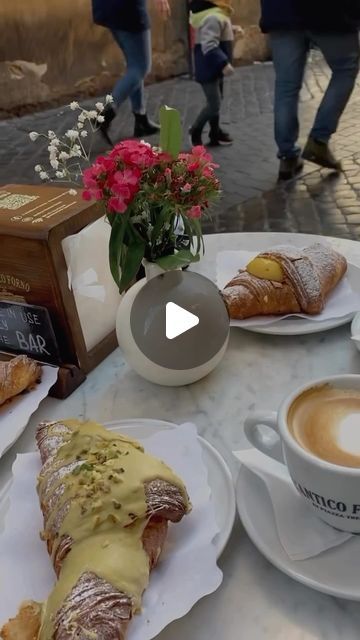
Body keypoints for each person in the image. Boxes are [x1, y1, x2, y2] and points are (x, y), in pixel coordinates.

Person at [260, 0, 360, 180]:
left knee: (286, 86)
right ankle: (318, 140)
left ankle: (287, 156)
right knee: (345, 69)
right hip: (329, 12)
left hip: (280, 12)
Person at [92, 0, 170, 143]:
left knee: (134, 64)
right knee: (141, 67)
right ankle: (106, 113)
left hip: (106, 8)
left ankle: (141, 120)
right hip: (128, 10)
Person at [189, 0, 240, 146]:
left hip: (214, 67)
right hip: (210, 67)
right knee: (214, 104)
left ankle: (215, 132)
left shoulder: (216, 15)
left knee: (217, 100)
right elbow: (209, 45)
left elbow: (216, 33)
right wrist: (223, 63)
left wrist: (231, 29)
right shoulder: (213, 17)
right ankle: (195, 130)